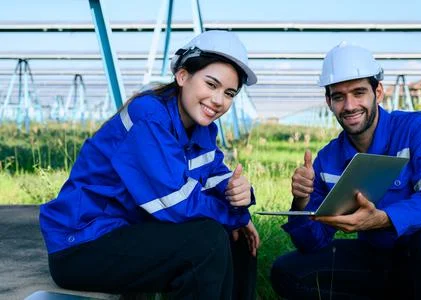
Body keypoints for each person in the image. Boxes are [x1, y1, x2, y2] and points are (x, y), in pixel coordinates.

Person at [39, 30, 260, 299]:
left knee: (239, 242)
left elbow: (215, 176)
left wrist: (239, 195)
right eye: (211, 84)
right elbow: (176, 203)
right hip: (82, 243)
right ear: (182, 76)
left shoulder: (202, 130)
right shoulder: (149, 116)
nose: (218, 100)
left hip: (126, 230)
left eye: (229, 93)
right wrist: (236, 215)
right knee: (207, 241)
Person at [270, 41, 421, 299]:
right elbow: (312, 243)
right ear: (328, 101)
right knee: (287, 271)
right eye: (338, 96)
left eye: (359, 92)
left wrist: (383, 218)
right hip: (382, 261)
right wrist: (301, 201)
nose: (349, 106)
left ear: (378, 92)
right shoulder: (328, 160)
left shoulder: (419, 130)